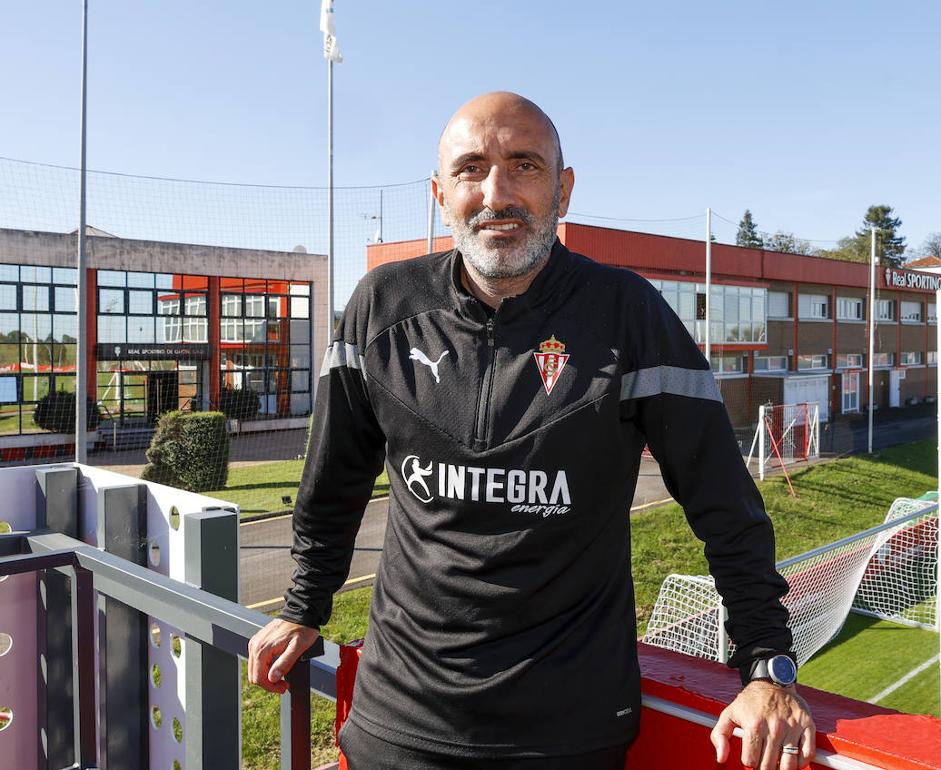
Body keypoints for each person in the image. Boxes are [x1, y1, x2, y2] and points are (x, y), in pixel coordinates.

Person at [247, 91, 815, 770]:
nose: (497, 193)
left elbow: (725, 506)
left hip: (568, 734)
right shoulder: (380, 307)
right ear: (439, 194)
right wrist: (304, 604)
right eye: (471, 169)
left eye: (524, 166)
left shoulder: (628, 315)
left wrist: (764, 662)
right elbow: (334, 479)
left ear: (563, 189)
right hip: (397, 723)